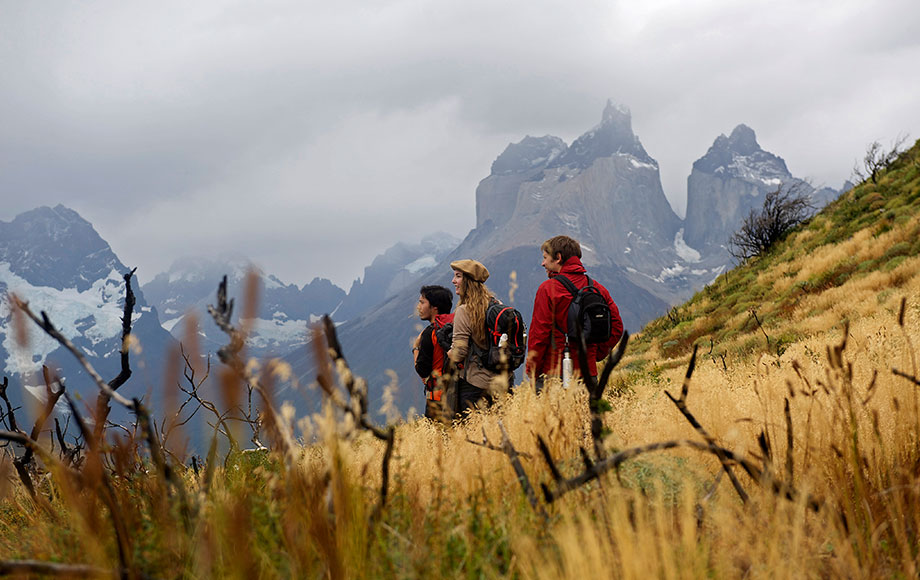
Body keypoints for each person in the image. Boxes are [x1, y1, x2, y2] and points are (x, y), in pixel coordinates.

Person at [526, 235, 624, 390]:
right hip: (588, 374)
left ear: (558, 258)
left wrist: (532, 371)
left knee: (552, 415)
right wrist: (595, 354)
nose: (542, 263)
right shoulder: (597, 288)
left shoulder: (547, 289)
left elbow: (539, 335)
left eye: (545, 258)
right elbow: (617, 326)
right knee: (584, 414)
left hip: (554, 374)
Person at [447, 259, 500, 416]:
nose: (453, 281)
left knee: (472, 436)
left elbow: (459, 352)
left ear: (468, 281)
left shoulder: (465, 310)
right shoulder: (496, 305)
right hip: (500, 383)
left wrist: (447, 351)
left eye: (458, 276)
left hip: (475, 385)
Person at [412, 285, 454, 420]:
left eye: (422, 302)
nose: (419, 307)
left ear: (434, 307)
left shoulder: (430, 333)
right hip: (459, 394)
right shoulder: (457, 326)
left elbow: (422, 370)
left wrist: (415, 348)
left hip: (437, 399)